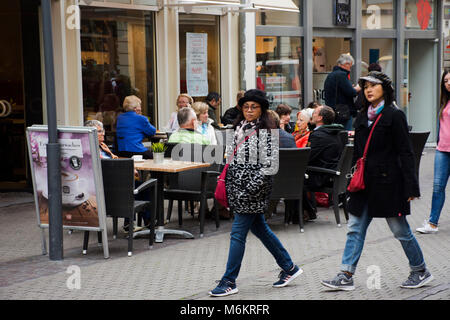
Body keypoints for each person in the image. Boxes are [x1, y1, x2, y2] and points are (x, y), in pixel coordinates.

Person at [321, 71, 433, 291]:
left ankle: (420, 270)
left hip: (389, 184)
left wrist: (411, 186)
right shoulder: (362, 116)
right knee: (354, 228)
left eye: (373, 85)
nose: (368, 90)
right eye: (365, 86)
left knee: (400, 230)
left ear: (385, 89)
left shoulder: (394, 115)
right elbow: (357, 154)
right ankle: (346, 274)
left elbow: (406, 152)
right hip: (364, 185)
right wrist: (352, 179)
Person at [209, 89, 303, 297]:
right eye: (246, 106)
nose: (249, 110)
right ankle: (289, 267)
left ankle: (229, 280)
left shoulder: (267, 132)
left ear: (262, 109)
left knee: (237, 234)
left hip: (253, 191)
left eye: (254, 106)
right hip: (237, 189)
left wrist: (249, 189)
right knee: (261, 230)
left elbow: (269, 167)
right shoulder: (239, 127)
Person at [416, 69, 450, 234]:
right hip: (442, 150)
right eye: (445, 81)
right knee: (438, 187)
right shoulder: (445, 102)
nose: (448, 83)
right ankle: (432, 223)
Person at [303, 105, 344, 220]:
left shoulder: (318, 135)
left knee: (294, 181)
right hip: (331, 174)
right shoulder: (335, 132)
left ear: (320, 118)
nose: (312, 114)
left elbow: (308, 157)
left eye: (315, 112)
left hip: (320, 176)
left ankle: (306, 212)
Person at [323, 53, 361, 130]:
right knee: (344, 135)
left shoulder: (331, 75)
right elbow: (351, 92)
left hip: (332, 111)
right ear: (346, 64)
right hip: (343, 112)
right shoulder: (342, 75)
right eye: (350, 66)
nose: (350, 68)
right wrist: (357, 88)